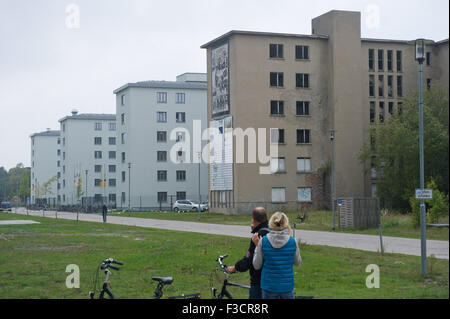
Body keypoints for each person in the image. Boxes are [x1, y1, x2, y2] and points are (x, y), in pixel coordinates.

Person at [253, 212, 301, 299]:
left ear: (271, 223)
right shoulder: (293, 241)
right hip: (287, 286)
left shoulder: (263, 241)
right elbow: (297, 262)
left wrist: (257, 247)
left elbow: (256, 265)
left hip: (269, 286)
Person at [226, 207, 270, 299]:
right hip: (275, 279)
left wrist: (235, 267)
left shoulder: (258, 236)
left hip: (259, 280)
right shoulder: (272, 231)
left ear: (254, 219)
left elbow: (250, 259)